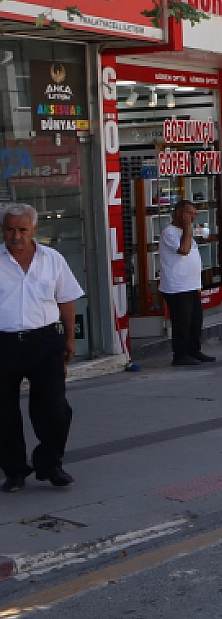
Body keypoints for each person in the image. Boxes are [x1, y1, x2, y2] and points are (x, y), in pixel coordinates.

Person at [0, 203, 83, 490]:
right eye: (10, 229)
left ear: (34, 229)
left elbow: (67, 299)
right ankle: (14, 471)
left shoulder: (52, 259)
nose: (16, 235)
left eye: (22, 229)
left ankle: (50, 464)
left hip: (45, 342)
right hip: (4, 344)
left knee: (55, 409)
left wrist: (70, 338)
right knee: (4, 412)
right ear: (3, 230)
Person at [159, 201, 213, 365]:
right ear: (179, 213)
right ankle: (180, 354)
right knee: (182, 322)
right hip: (177, 287)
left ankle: (194, 350)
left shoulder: (185, 232)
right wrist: (187, 227)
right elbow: (184, 250)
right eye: (189, 214)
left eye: (194, 214)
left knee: (195, 320)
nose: (192, 218)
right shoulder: (169, 233)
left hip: (191, 285)